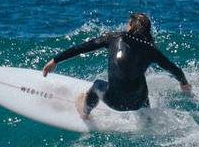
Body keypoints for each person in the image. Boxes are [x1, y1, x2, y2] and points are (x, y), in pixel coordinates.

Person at [42, 12, 191, 118]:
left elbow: (83, 47)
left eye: (128, 23)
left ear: (131, 26)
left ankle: (84, 113)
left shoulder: (114, 38)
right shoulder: (151, 50)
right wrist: (184, 82)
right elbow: (173, 69)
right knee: (140, 80)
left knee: (97, 85)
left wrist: (56, 60)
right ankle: (147, 118)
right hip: (139, 102)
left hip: (115, 102)